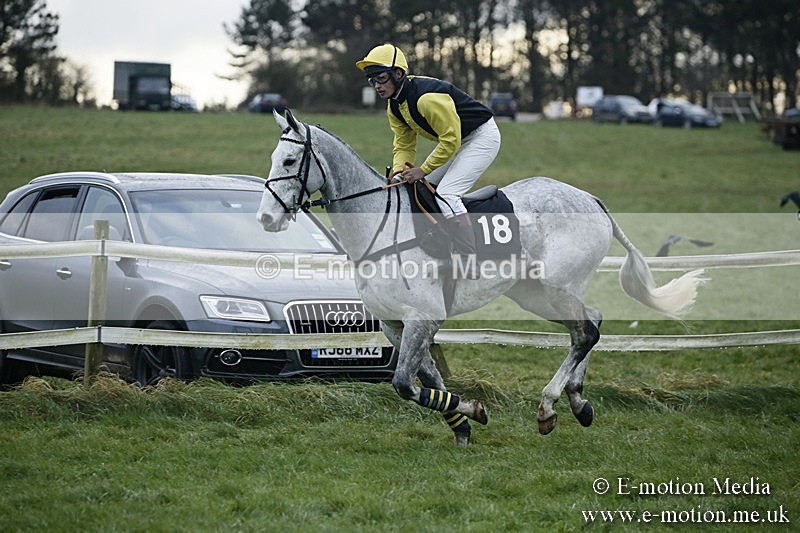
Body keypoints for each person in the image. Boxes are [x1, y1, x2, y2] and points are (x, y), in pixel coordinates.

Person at [356, 43, 501, 267]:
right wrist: (399, 173)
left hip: (481, 137)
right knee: (418, 189)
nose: (377, 85)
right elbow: (403, 143)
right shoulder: (394, 106)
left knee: (447, 195)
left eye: (381, 78)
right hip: (457, 141)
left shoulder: (426, 99)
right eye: (372, 80)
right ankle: (439, 244)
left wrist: (422, 169)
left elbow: (450, 141)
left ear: (398, 73)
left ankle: (469, 259)